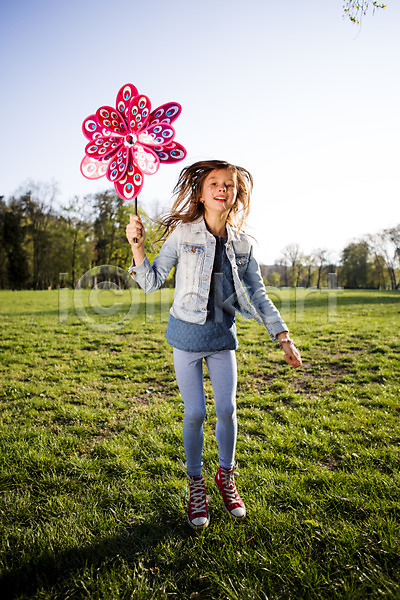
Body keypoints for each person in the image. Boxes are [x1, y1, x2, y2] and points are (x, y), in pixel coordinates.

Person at [125, 160, 302, 530]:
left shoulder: (243, 244)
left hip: (222, 339)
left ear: (237, 195)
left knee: (227, 409)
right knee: (195, 414)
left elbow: (257, 293)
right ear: (202, 193)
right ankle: (196, 483)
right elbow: (152, 281)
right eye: (214, 184)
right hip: (186, 339)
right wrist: (137, 248)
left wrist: (282, 335)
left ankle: (226, 476)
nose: (222, 189)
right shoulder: (183, 235)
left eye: (229, 185)